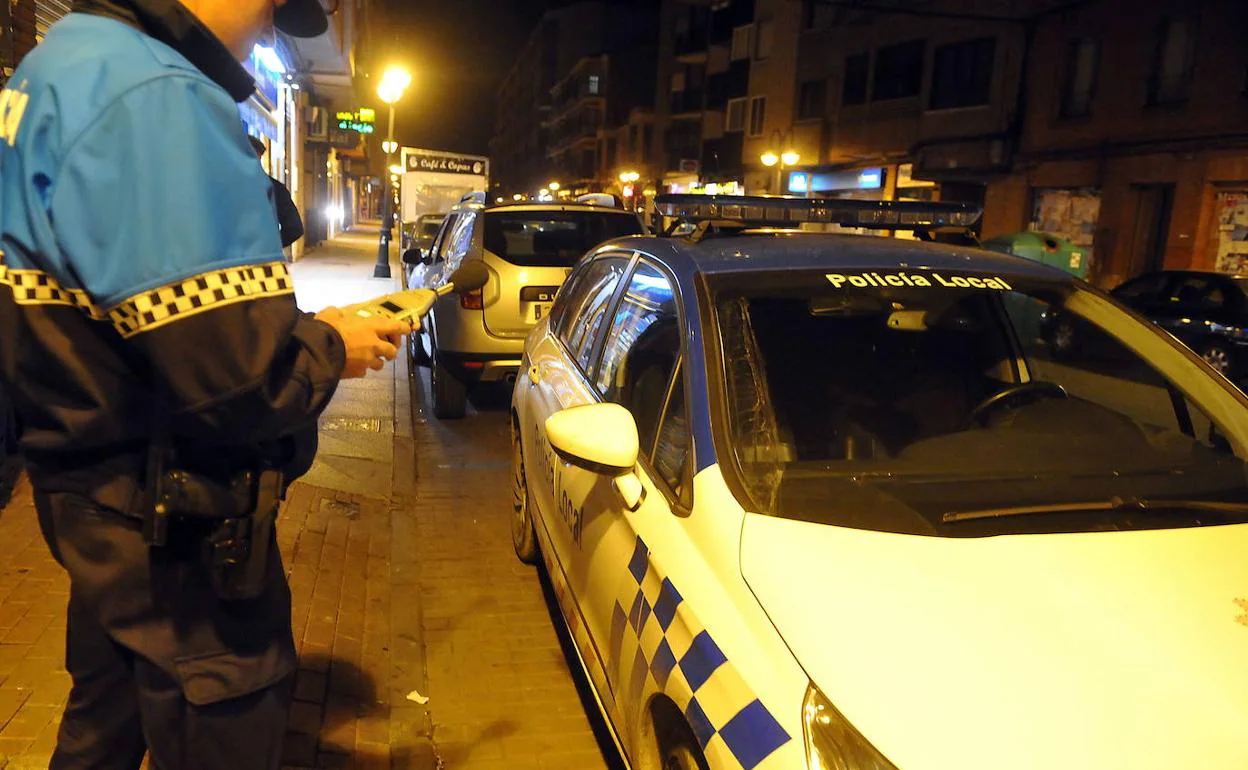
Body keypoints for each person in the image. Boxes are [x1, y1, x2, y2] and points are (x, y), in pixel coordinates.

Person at [0, 0, 409, 767]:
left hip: (90, 493)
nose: (268, 31)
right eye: (269, 8)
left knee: (103, 726)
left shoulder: (53, 68)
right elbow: (240, 383)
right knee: (227, 716)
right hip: (172, 521)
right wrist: (332, 344)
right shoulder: (158, 96)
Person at [250, 135, 305, 249]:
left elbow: (295, 228)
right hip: (264, 259)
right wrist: (270, 246)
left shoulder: (227, 188)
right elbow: (295, 228)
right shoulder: (275, 188)